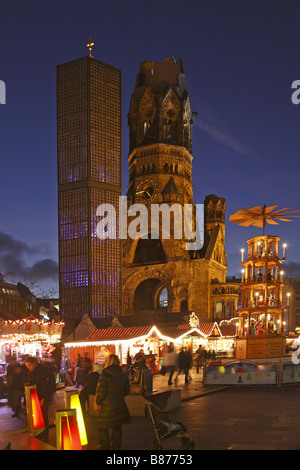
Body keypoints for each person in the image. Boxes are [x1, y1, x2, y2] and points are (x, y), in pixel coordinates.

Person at [96, 354, 131, 450]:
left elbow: (101, 391)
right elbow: (127, 390)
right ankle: (116, 447)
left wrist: (98, 402)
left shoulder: (105, 374)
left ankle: (106, 446)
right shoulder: (123, 373)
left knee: (102, 427)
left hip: (107, 406)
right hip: (119, 404)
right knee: (117, 426)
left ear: (108, 362)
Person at [24, 356, 54, 440]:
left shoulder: (42, 371)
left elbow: (45, 386)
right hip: (34, 396)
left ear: (35, 363)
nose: (28, 367)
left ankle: (44, 435)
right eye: (26, 366)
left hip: (41, 397)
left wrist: (43, 398)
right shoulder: (31, 372)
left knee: (43, 417)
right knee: (36, 416)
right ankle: (38, 433)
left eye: (29, 365)